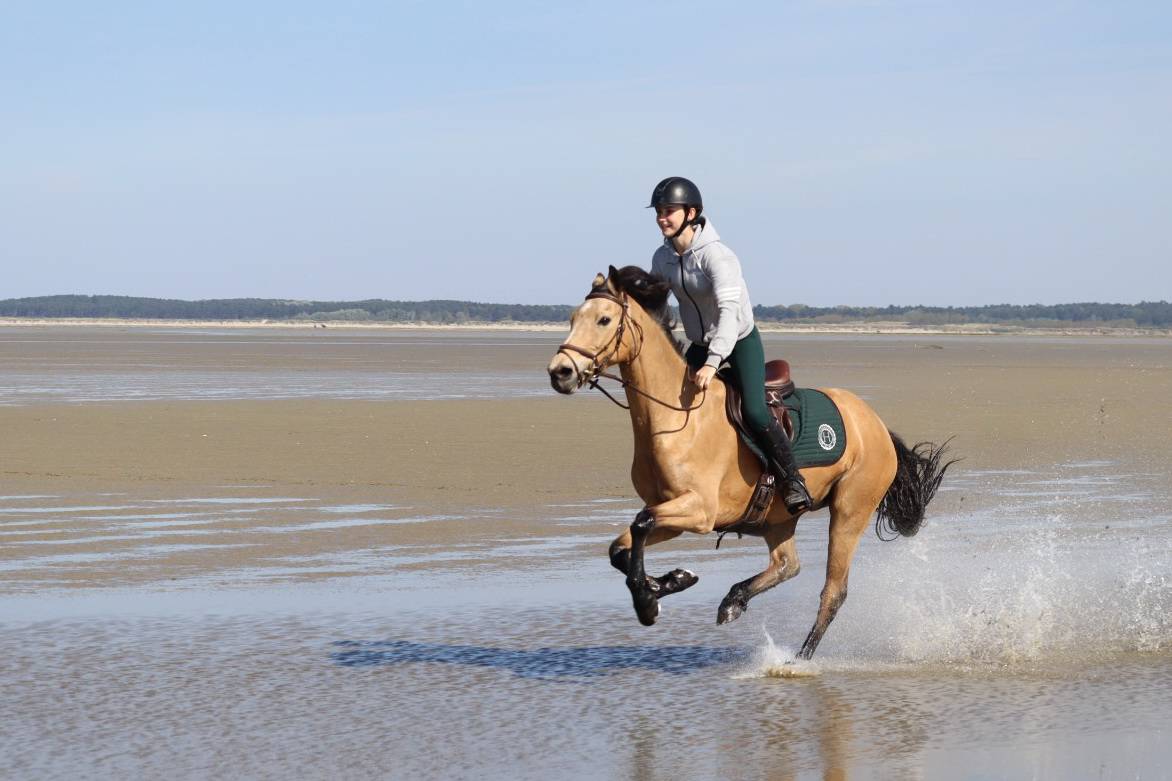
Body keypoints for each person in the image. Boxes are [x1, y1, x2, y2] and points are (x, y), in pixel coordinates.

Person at [647, 176, 811, 513]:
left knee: (752, 409)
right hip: (700, 342)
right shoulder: (662, 258)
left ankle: (793, 480)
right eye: (659, 212)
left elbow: (729, 313)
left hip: (738, 340)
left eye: (669, 211)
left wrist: (712, 362)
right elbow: (656, 305)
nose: (662, 217)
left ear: (691, 213)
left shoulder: (718, 256)